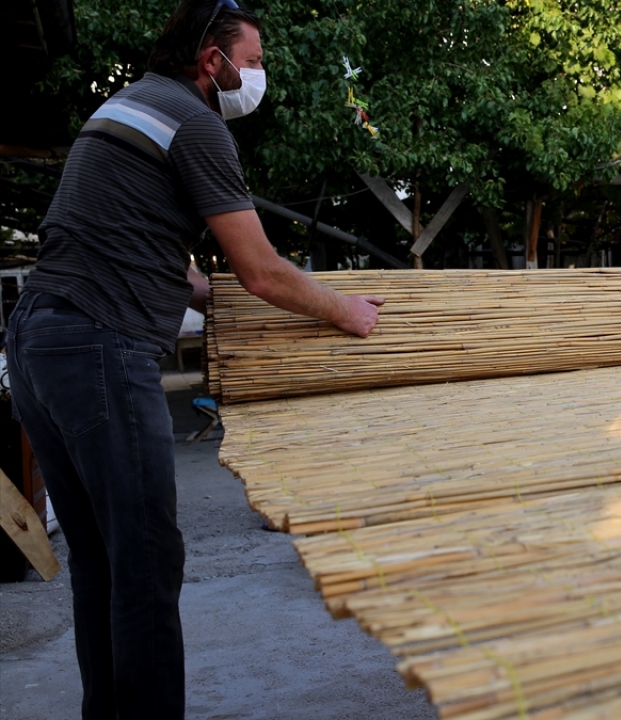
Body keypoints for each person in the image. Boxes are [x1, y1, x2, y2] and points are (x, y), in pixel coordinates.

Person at [3, 1, 383, 717]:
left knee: (104, 564)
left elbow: (124, 235)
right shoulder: (195, 120)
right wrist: (345, 309)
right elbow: (263, 270)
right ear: (213, 62)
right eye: (255, 61)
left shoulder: (128, 104)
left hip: (36, 342)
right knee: (144, 562)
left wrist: (206, 294)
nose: (259, 75)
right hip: (98, 346)